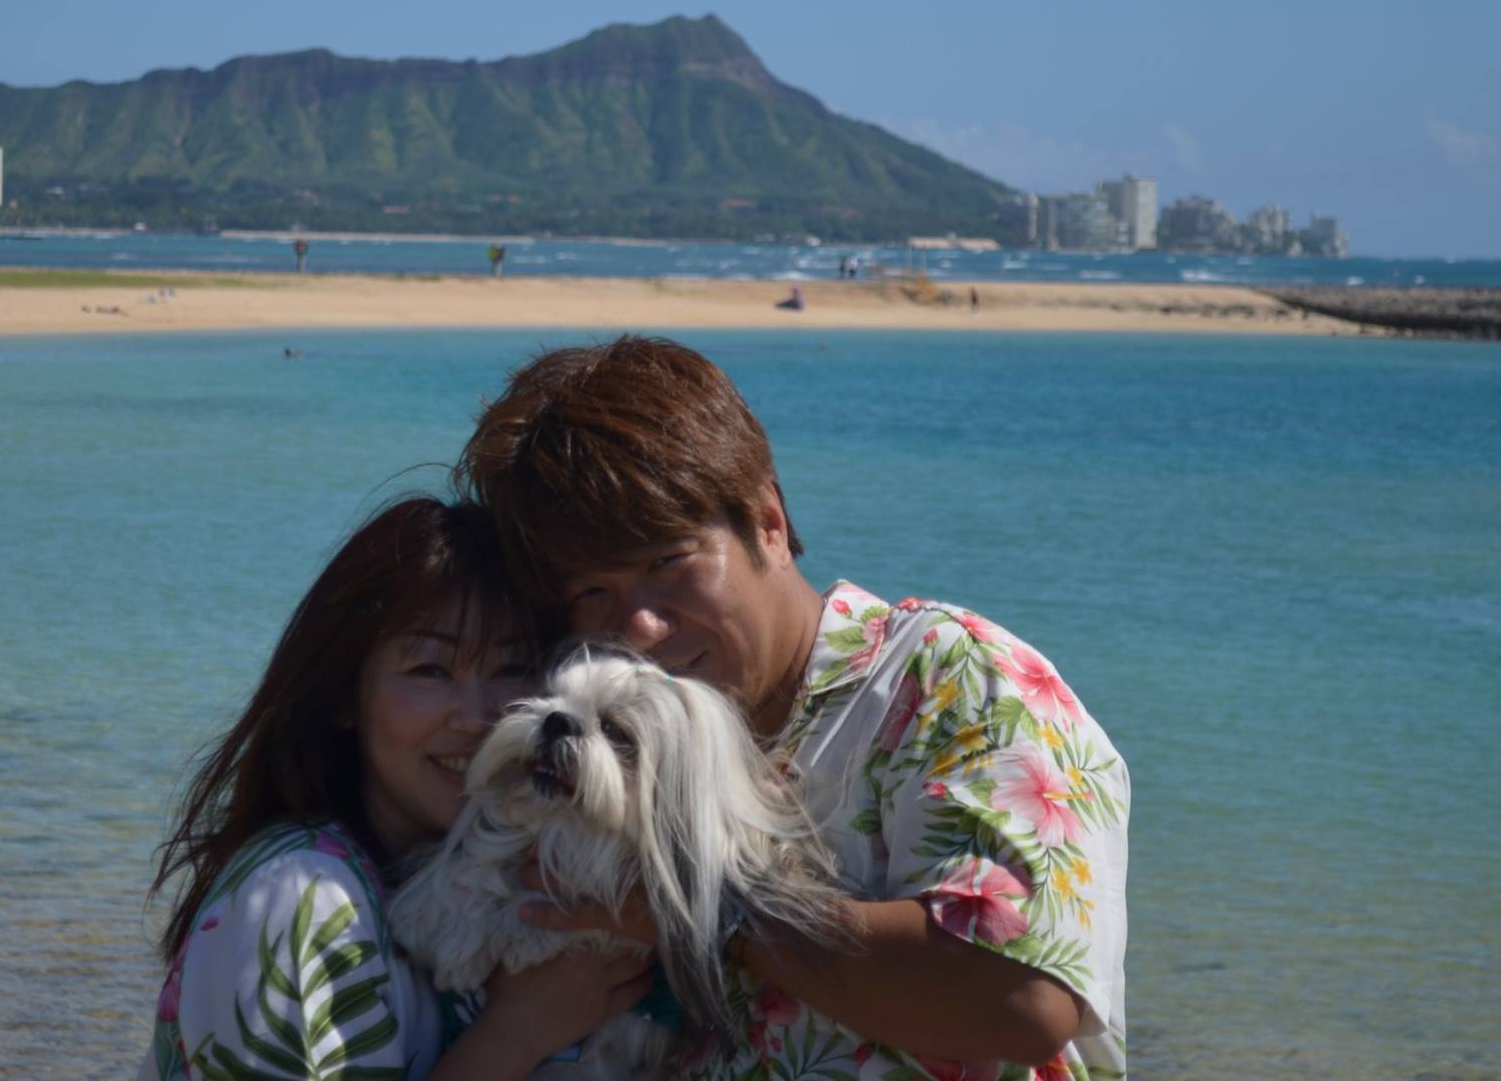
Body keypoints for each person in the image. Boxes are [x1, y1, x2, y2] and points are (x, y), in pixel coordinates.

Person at [454, 337, 1129, 1079]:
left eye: (668, 561)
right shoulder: (603, 743)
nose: (640, 627)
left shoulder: (948, 679)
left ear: (767, 521)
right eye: (591, 591)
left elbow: (1021, 997)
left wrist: (708, 914)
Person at [139, 497, 652, 1081]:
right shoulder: (306, 897)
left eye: (512, 670)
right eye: (430, 671)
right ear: (343, 695)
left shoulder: (448, 888)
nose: (478, 717)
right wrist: (517, 1032)